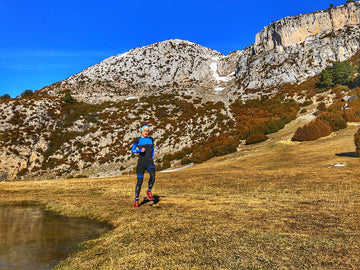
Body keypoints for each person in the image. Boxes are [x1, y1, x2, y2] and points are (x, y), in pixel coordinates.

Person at [131, 124, 155, 208]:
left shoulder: (151, 139)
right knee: (139, 182)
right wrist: (140, 150)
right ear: (141, 131)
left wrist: (152, 155)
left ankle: (149, 191)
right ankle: (136, 200)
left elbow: (153, 148)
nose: (146, 132)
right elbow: (133, 150)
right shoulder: (137, 139)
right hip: (141, 163)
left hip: (149, 162)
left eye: (147, 131)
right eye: (144, 130)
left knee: (153, 175)